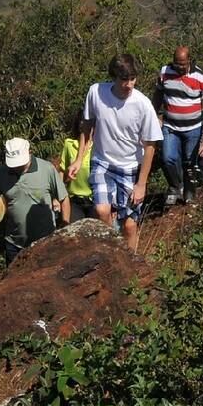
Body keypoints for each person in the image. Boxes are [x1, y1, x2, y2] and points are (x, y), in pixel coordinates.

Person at [69, 54, 162, 255]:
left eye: (133, 79)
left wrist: (141, 184)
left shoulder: (143, 104)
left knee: (129, 225)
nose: (129, 84)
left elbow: (150, 146)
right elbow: (87, 125)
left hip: (130, 167)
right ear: (113, 76)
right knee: (102, 210)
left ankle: (131, 267)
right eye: (124, 79)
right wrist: (78, 159)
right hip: (102, 162)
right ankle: (110, 254)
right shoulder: (96, 92)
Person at [0, 138, 67, 261]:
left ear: (30, 152)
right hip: (14, 244)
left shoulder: (47, 169)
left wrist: (65, 226)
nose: (18, 167)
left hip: (45, 242)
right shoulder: (1, 174)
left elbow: (64, 198)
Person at [155, 45, 203, 208]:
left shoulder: (201, 76)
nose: (180, 67)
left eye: (183, 64)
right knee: (168, 158)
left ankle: (189, 193)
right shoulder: (164, 72)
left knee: (189, 162)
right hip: (171, 126)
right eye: (177, 63)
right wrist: (153, 114)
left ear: (189, 60)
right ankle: (175, 186)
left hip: (193, 127)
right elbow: (158, 93)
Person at [57, 109, 96, 224]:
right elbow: (62, 171)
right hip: (74, 200)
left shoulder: (98, 148)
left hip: (95, 200)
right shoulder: (69, 144)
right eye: (82, 123)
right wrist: (57, 197)